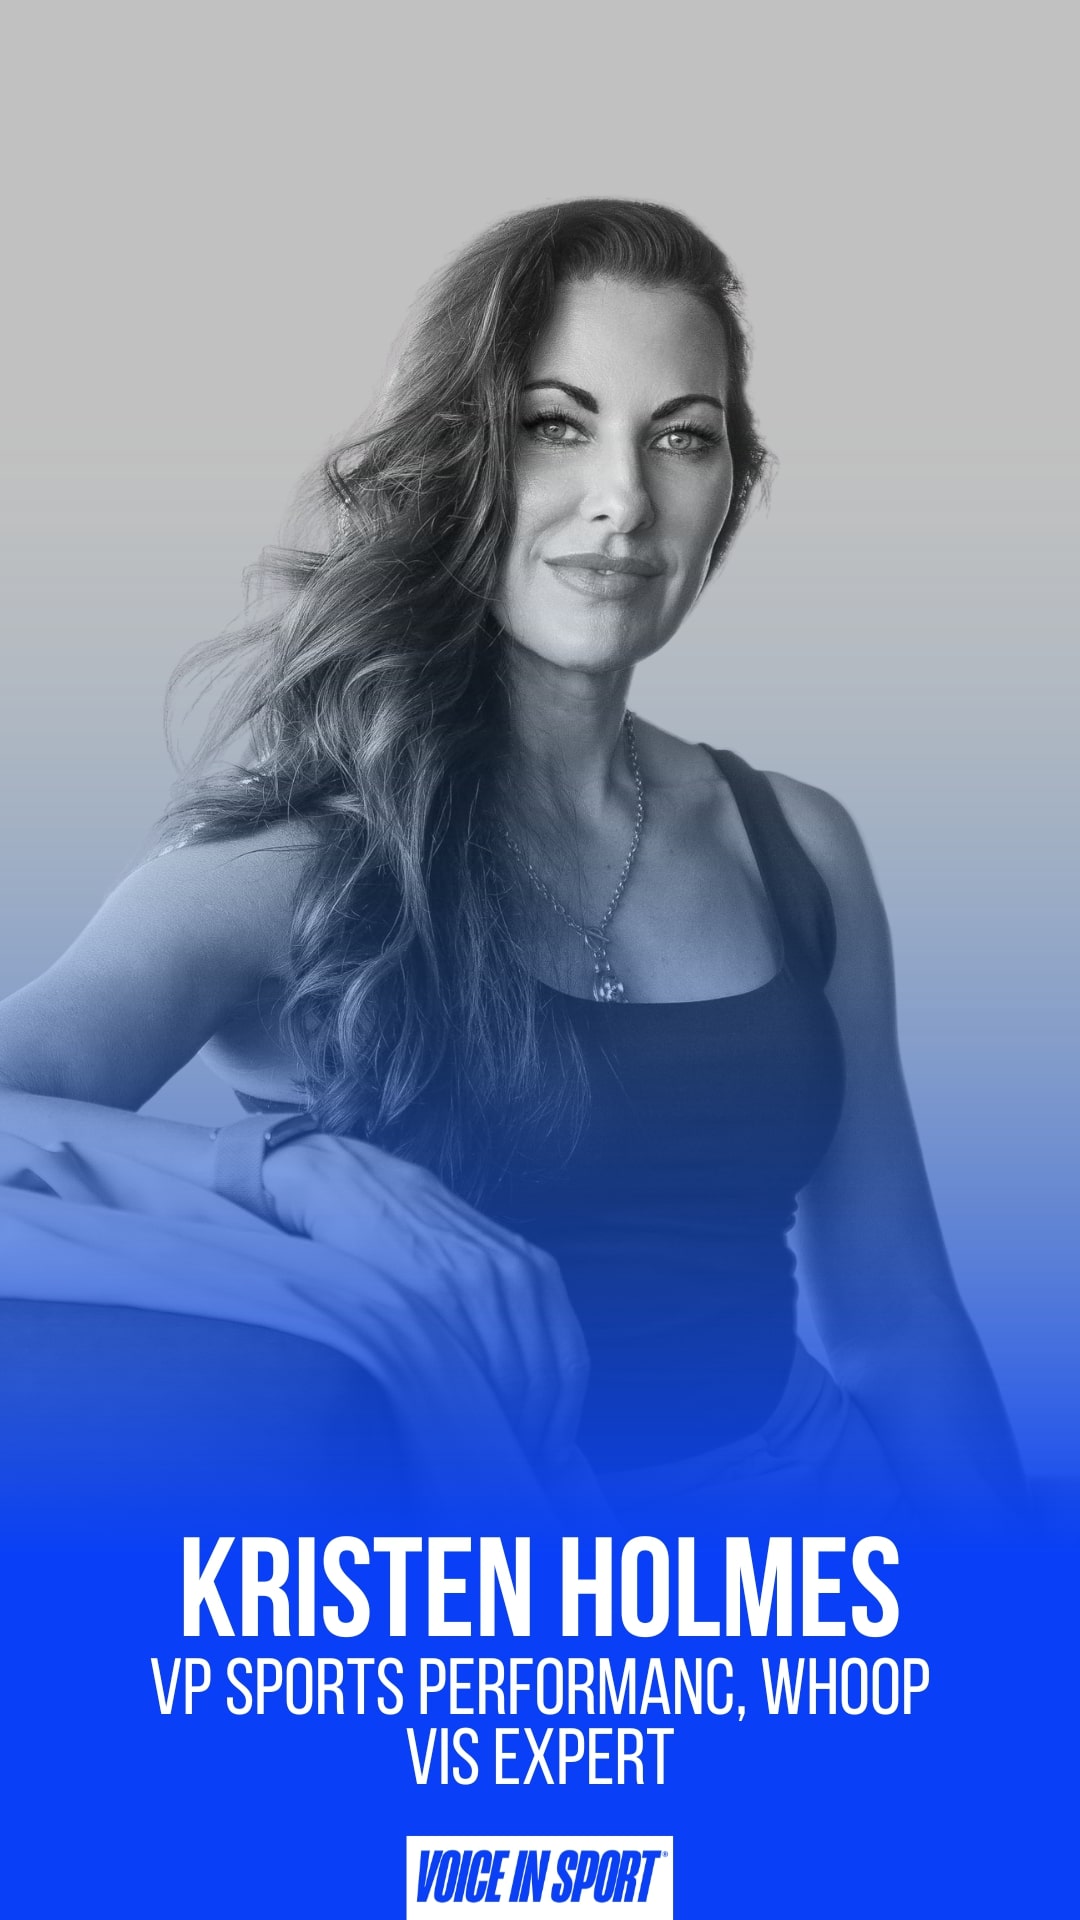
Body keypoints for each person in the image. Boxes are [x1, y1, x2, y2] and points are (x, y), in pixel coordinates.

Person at [0, 199, 1027, 1531]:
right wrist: (286, 1172)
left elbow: (895, 1320)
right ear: (458, 459)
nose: (624, 500)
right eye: (556, 424)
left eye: (684, 436)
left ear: (732, 487)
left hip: (809, 1544)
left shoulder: (799, 842)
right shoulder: (300, 864)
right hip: (473, 1577)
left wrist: (1006, 1624)